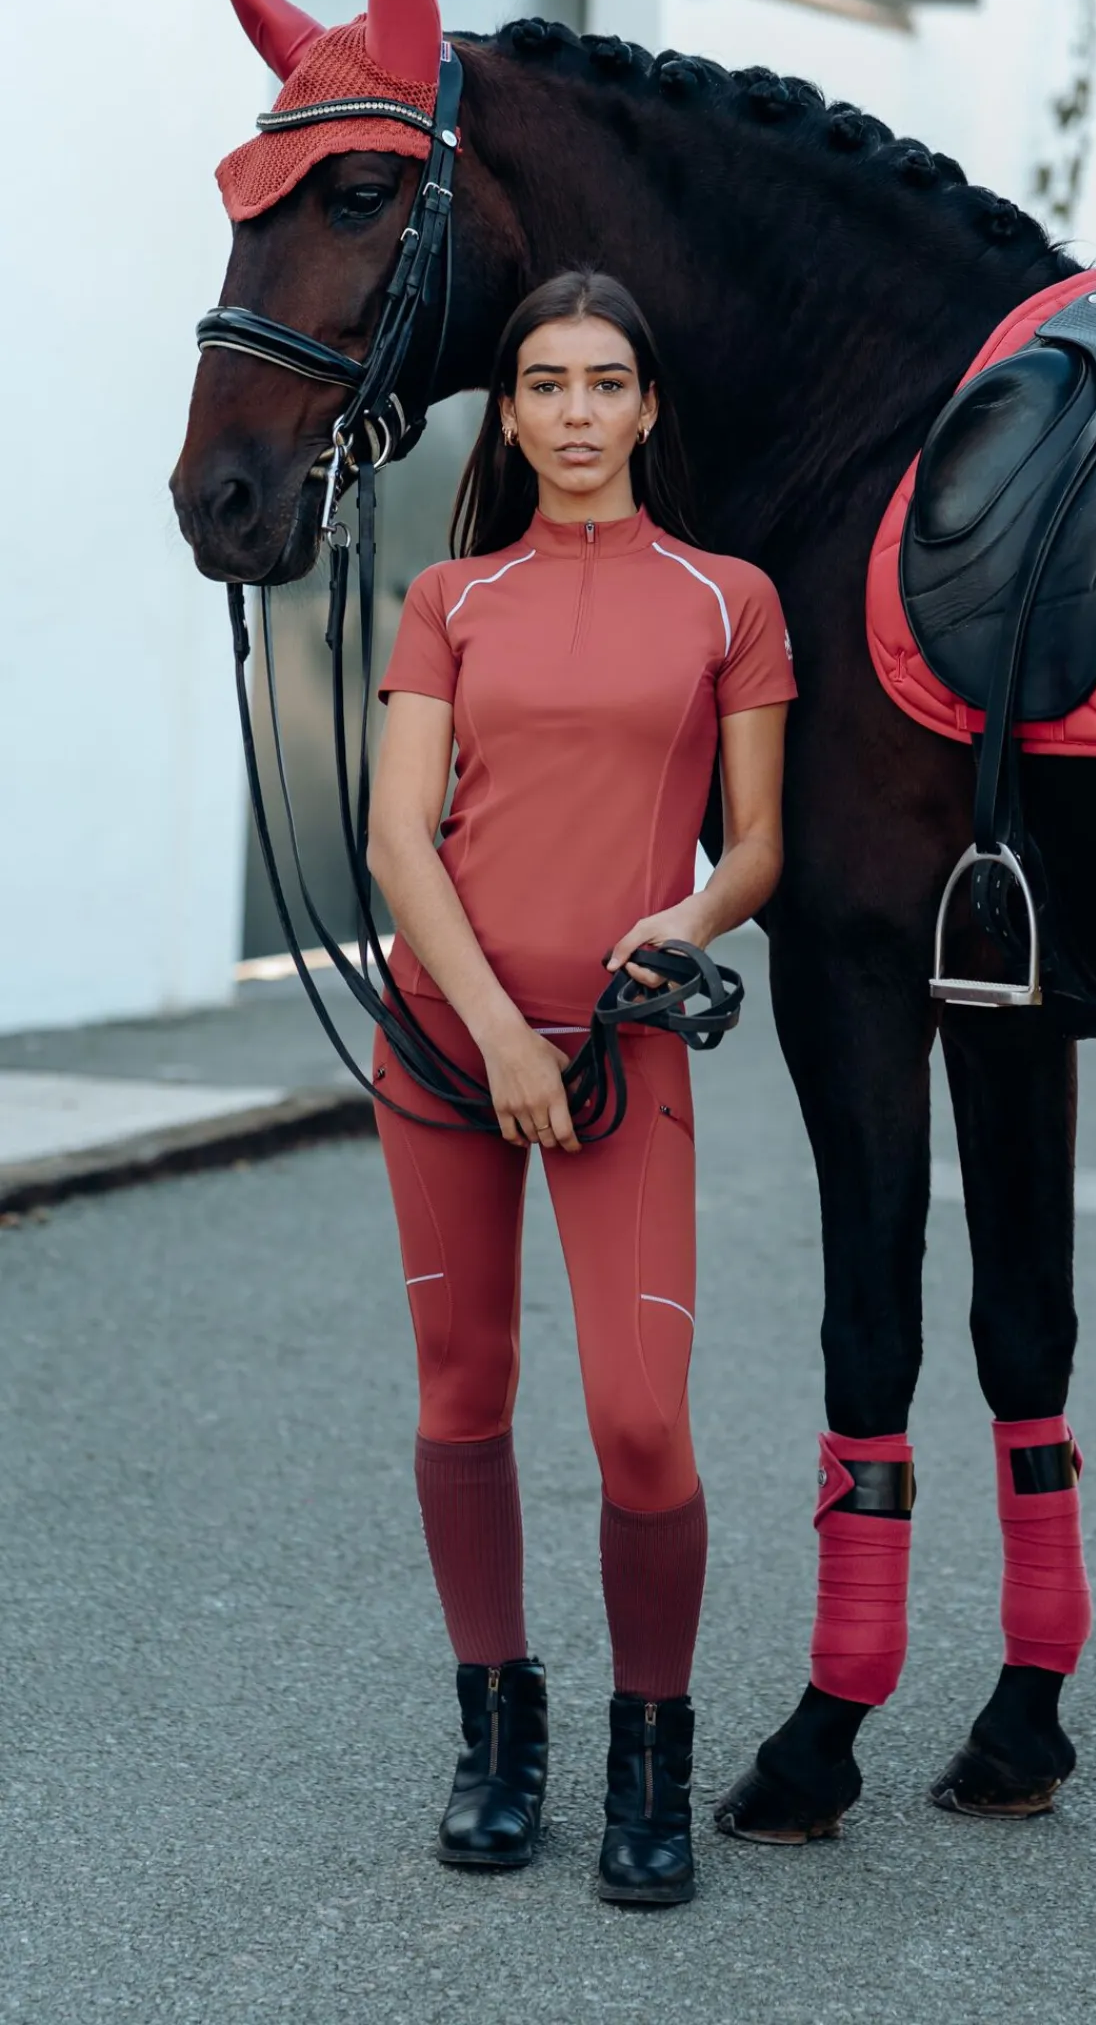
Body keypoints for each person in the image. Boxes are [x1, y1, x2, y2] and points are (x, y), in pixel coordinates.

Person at [366, 269, 794, 1905]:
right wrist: (494, 1033)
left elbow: (753, 843)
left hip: (624, 1044)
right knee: (461, 1392)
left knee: (637, 1420)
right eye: (544, 384)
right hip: (450, 1038)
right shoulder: (452, 597)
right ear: (514, 411)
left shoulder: (727, 596)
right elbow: (404, 834)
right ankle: (497, 1737)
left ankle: (649, 1750)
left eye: (605, 382)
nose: (574, 412)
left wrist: (678, 922)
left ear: (648, 406)